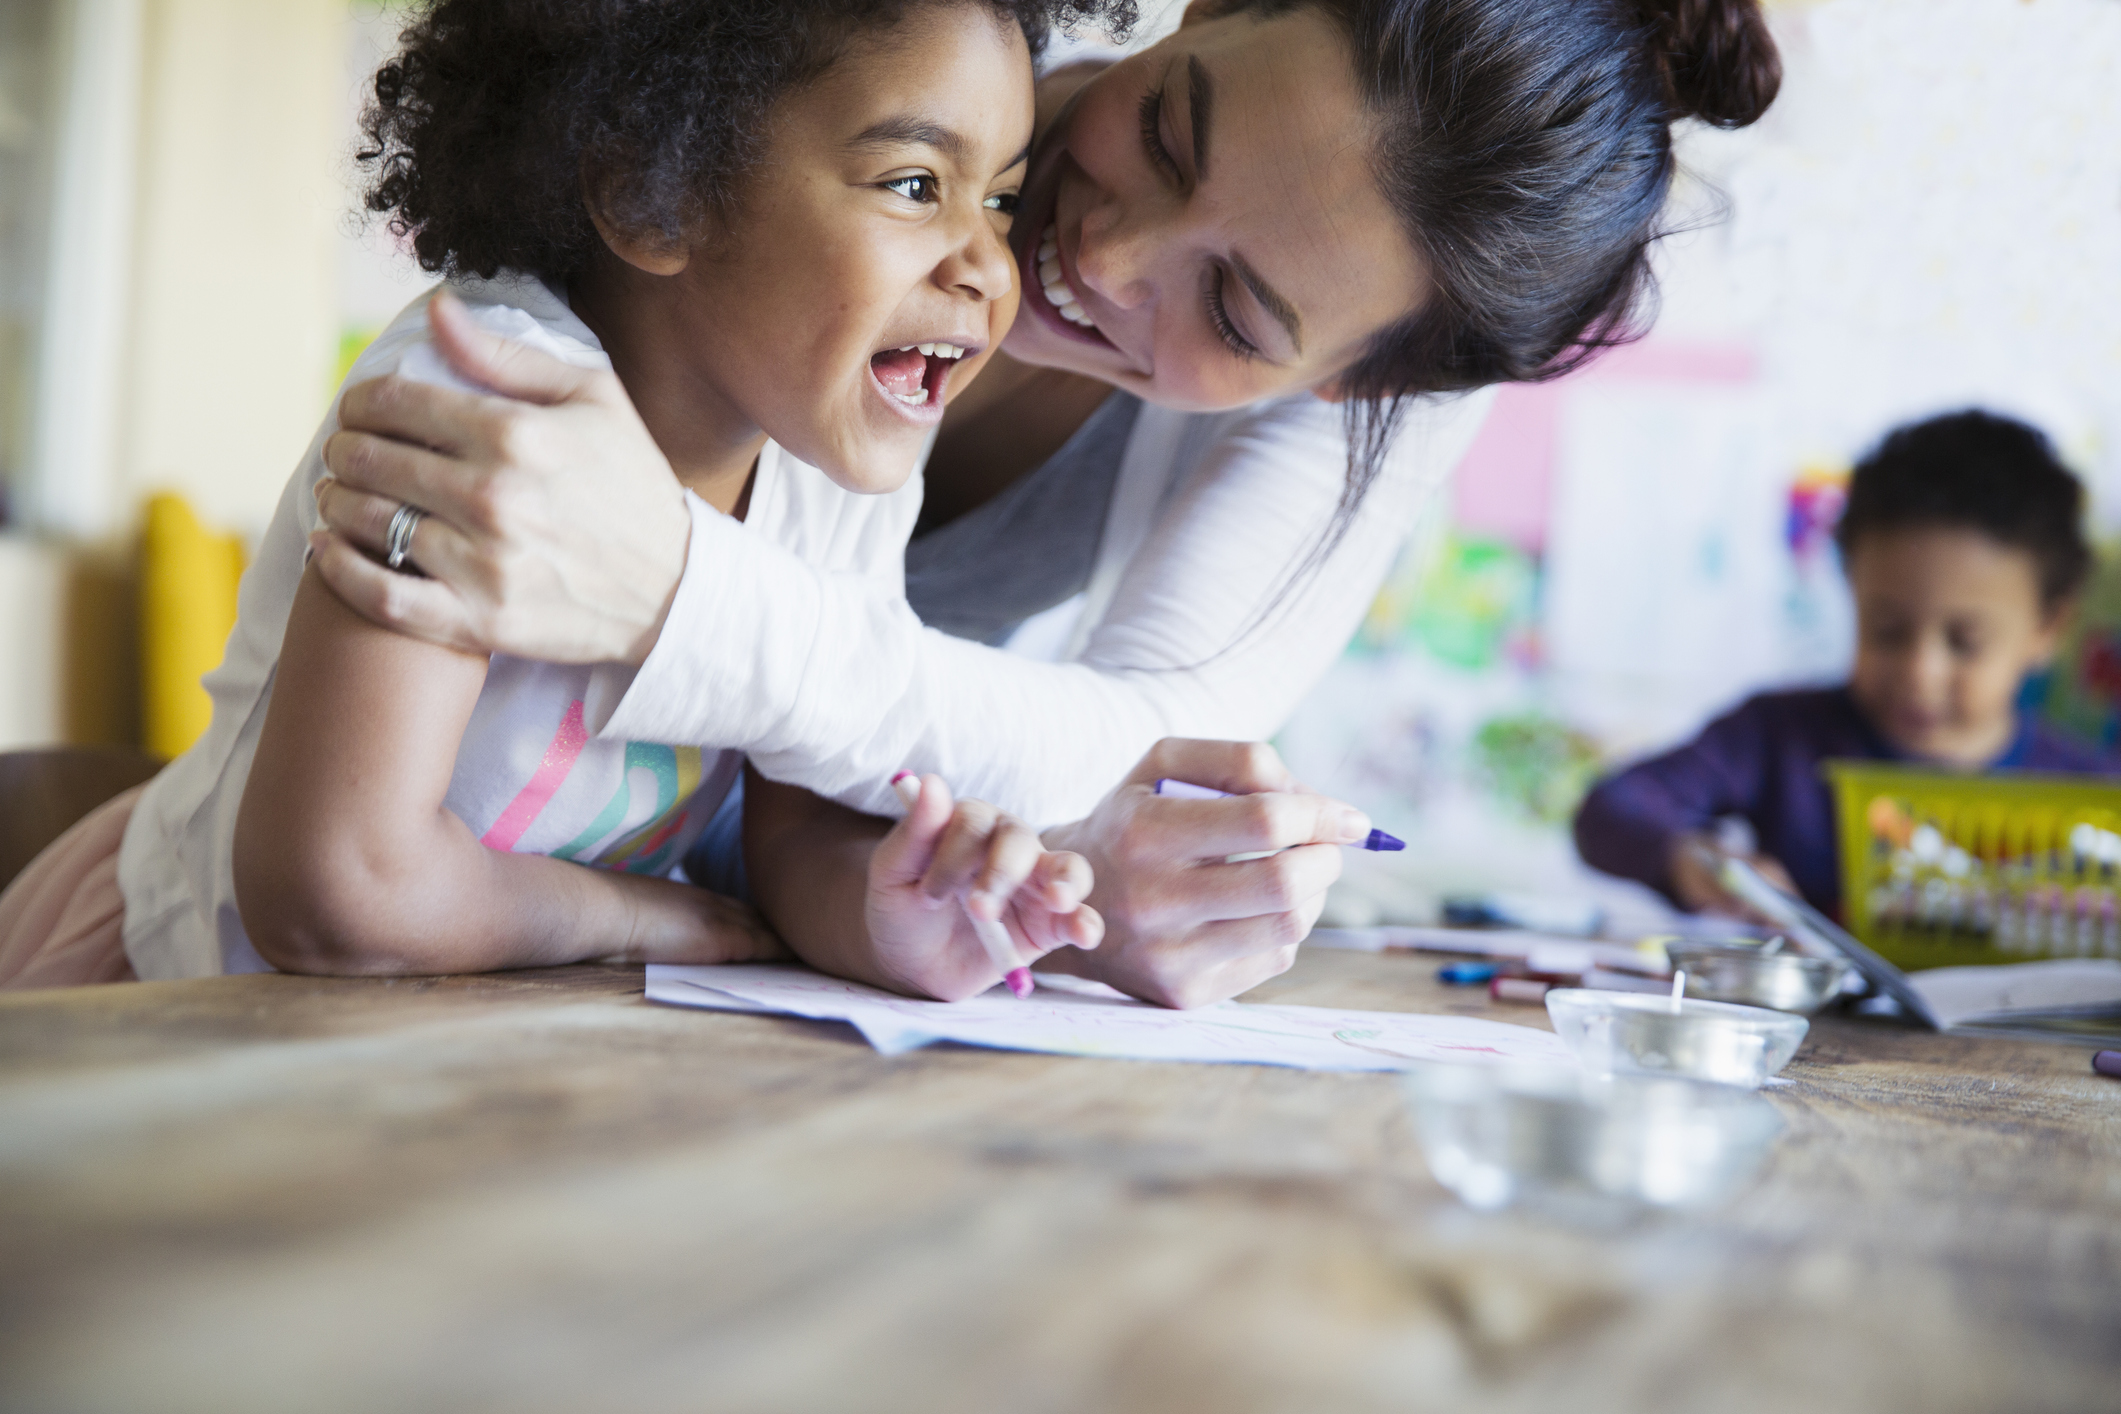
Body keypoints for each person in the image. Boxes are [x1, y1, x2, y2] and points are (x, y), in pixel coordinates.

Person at [306, 0, 1784, 1006]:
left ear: (1343, 384)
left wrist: (691, 610)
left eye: (1240, 311)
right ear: (1202, 6)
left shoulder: (844, 473)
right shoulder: (863, 68)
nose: (1104, 256)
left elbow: (1120, 752)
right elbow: (332, 867)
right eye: (1166, 134)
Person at [0, 0, 1117, 993]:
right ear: (655, 195)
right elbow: (335, 889)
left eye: (1005, 198)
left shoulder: (841, 468)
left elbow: (795, 844)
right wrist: (648, 920)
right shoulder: (480, 400)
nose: (990, 266)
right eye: (916, 185)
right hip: (183, 1002)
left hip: (489, 1037)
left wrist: (897, 920)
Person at [1574, 409, 2120, 921]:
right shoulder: (1777, 738)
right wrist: (1687, 858)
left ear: (2049, 627)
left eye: (1966, 641)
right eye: (1886, 630)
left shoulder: (2096, 799)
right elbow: (1612, 807)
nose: (1919, 672)